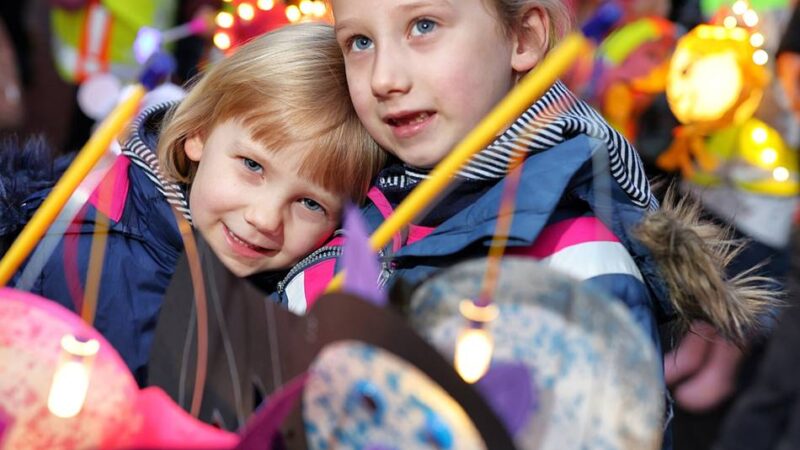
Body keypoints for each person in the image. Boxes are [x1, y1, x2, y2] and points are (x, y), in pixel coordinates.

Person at [276, 0, 778, 445]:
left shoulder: (575, 266)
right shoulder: (333, 209)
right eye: (359, 42)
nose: (384, 77)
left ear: (525, 38)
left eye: (423, 25)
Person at [1, 23, 384, 384]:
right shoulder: (101, 263)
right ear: (198, 134)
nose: (265, 218)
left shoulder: (272, 291)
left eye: (310, 204)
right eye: (252, 166)